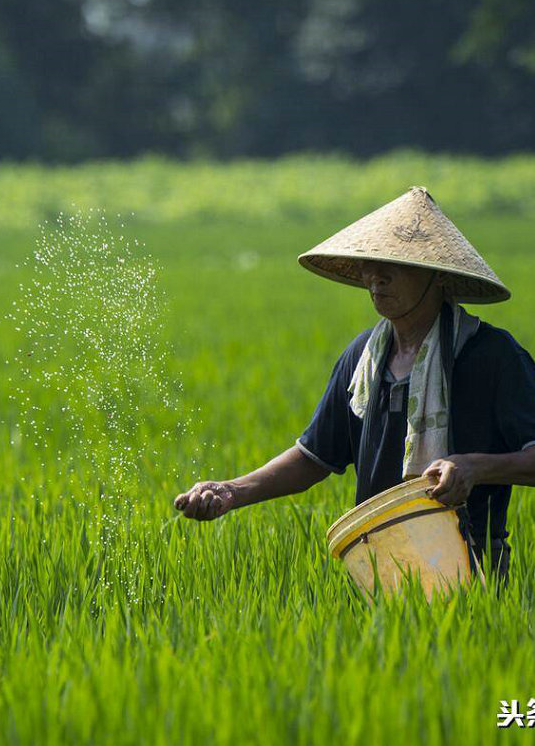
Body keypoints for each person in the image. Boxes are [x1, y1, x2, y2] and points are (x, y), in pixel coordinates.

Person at [173, 186, 535, 582]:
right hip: (378, 567)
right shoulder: (364, 358)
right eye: (370, 264)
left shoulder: (492, 356)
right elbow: (315, 457)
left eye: (396, 264)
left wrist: (474, 468)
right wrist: (232, 491)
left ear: (437, 274)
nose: (375, 278)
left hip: (474, 568)